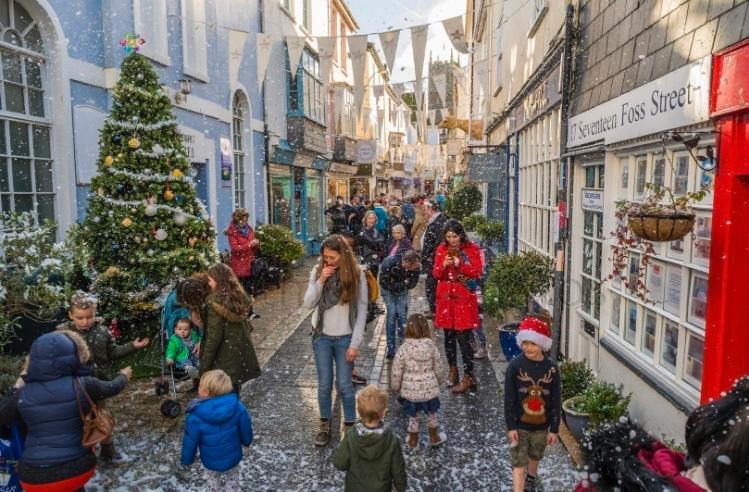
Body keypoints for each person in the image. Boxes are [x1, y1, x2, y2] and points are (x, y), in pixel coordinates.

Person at [0, 331, 131, 490]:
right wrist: (124, 376)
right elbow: (113, 387)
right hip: (77, 469)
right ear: (74, 356)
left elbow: (3, 416)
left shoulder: (22, 394)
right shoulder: (84, 384)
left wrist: (19, 383)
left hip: (33, 476)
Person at [57, 291, 148, 463]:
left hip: (99, 382)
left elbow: (112, 352)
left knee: (100, 414)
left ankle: (107, 447)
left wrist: (132, 346)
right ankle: (79, 451)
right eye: (79, 318)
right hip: (75, 385)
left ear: (95, 313)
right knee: (77, 417)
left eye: (89, 317)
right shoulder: (63, 335)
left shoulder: (102, 331)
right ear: (71, 315)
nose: (85, 322)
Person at [303, 235, 368, 446]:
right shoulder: (318, 271)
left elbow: (362, 310)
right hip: (321, 336)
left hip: (345, 337)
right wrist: (321, 280)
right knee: (324, 384)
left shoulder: (357, 274)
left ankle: (349, 425)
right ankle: (324, 425)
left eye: (332, 257)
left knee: (345, 385)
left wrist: (355, 343)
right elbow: (308, 303)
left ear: (343, 255)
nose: (328, 261)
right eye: (325, 257)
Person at [504, 315, 561, 492]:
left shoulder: (551, 368)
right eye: (525, 343)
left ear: (542, 344)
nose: (528, 347)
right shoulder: (515, 365)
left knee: (536, 454)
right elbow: (509, 398)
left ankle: (532, 477)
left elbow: (555, 399)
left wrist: (554, 428)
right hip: (519, 425)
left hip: (542, 426)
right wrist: (511, 426)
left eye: (533, 343)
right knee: (519, 463)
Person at [432, 219, 483, 394]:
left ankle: (469, 376)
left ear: (461, 234)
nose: (452, 240)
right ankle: (453, 369)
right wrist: (443, 265)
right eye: (449, 237)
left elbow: (477, 272)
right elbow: (436, 274)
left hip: (463, 299)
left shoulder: (471, 249)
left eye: (454, 236)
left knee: (464, 339)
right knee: (448, 337)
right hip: (446, 299)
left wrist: (459, 264)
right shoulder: (441, 249)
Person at [181, 369, 253, 492]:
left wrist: (187, 459)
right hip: (233, 456)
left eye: (199, 386)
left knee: (213, 481)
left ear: (206, 392)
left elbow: (190, 441)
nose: (198, 388)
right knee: (232, 479)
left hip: (210, 459)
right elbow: (246, 427)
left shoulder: (195, 416)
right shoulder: (237, 407)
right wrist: (247, 441)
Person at [199, 263, 261, 394]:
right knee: (233, 387)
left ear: (218, 281)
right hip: (238, 351)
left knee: (222, 391)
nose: (209, 284)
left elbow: (214, 336)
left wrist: (204, 366)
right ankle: (234, 410)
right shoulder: (239, 297)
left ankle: (228, 412)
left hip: (223, 356)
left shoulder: (214, 302)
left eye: (210, 280)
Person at [332, 385, 407, 492]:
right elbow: (398, 469)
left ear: (358, 411)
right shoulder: (392, 440)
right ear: (384, 413)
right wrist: (401, 487)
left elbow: (340, 463)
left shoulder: (351, 436)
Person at [390, 314, 447, 449]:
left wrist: (395, 385)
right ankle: (434, 437)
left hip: (411, 393)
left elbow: (397, 369)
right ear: (426, 329)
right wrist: (440, 380)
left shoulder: (404, 348)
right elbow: (438, 365)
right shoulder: (431, 346)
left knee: (413, 417)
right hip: (429, 391)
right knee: (432, 414)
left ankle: (413, 441)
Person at [378, 250, 421, 359]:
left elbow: (412, 284)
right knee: (392, 313)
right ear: (406, 262)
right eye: (413, 267)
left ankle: (403, 344)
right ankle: (391, 347)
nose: (416, 268)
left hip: (401, 289)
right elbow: (385, 283)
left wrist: (399, 284)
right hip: (387, 290)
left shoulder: (415, 266)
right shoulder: (389, 262)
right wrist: (403, 283)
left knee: (401, 313)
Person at [340, 230, 369, 386]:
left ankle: (348, 374)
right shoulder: (330, 265)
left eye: (348, 246)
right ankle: (346, 374)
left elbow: (362, 303)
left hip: (350, 316)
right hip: (336, 320)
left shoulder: (355, 269)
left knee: (349, 345)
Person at [225, 208, 261, 320]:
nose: (245, 223)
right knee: (242, 289)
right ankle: (243, 312)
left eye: (246, 220)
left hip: (250, 262)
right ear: (237, 219)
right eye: (243, 220)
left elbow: (252, 242)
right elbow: (235, 249)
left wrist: (256, 244)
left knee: (251, 289)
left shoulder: (248, 229)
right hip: (239, 264)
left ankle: (250, 311)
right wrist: (250, 244)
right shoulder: (232, 232)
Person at [421, 200, 448, 318]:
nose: (424, 211)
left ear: (431, 209)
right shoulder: (436, 221)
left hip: (433, 261)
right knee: (431, 285)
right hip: (432, 260)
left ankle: (435, 310)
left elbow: (437, 243)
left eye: (425, 209)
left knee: (432, 285)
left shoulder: (438, 222)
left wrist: (429, 257)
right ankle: (434, 308)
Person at [358, 211, 386, 279]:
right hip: (366, 261)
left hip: (375, 261)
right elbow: (373, 243)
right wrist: (378, 243)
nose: (371, 220)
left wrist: (379, 244)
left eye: (373, 218)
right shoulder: (363, 232)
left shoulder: (376, 231)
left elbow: (382, 244)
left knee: (374, 282)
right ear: (366, 220)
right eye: (369, 218)